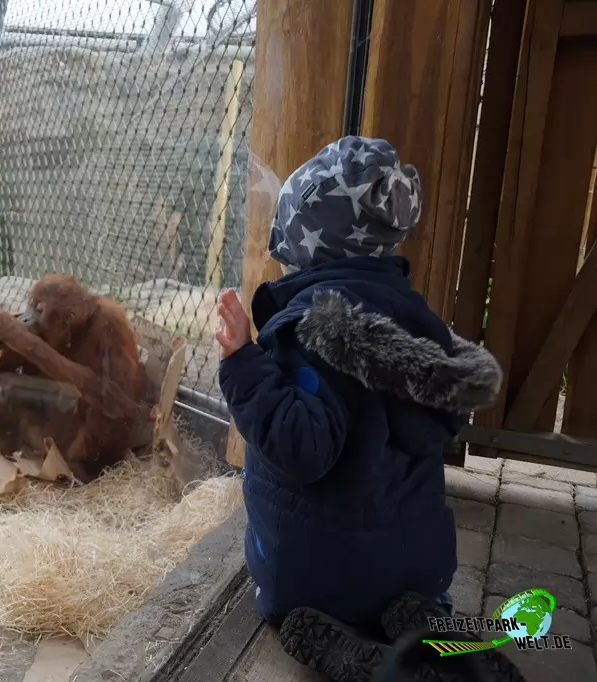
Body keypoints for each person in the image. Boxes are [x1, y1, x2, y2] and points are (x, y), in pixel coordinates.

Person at [215, 136, 522, 681]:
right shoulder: (418, 323)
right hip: (416, 565)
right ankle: (419, 615)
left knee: (288, 607)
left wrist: (242, 361)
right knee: (401, 567)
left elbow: (301, 450)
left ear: (308, 238)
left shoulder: (313, 327)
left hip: (319, 572)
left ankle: (345, 650)